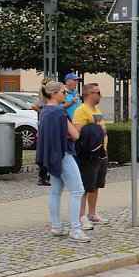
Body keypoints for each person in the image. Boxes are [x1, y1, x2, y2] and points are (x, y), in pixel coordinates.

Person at [36, 78, 90, 243]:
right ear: (53, 94)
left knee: (55, 191)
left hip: (51, 156)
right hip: (64, 154)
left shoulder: (45, 111)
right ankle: (75, 229)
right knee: (77, 190)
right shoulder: (59, 112)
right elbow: (75, 135)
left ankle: (57, 226)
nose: (65, 94)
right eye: (62, 92)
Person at [73, 82, 110, 229]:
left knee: (96, 185)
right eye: (98, 92)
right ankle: (81, 216)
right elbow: (79, 130)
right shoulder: (81, 110)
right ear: (89, 94)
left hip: (100, 152)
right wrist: (99, 130)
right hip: (89, 154)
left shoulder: (95, 109)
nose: (101, 95)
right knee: (85, 186)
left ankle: (92, 213)